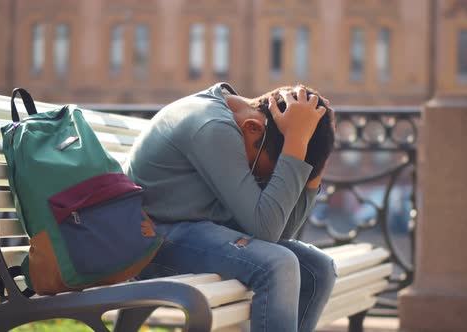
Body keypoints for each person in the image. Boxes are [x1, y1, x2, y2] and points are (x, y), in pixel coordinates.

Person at [124, 82, 336, 332]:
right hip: (153, 240)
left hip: (197, 232)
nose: (267, 181)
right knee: (278, 264)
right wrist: (296, 141)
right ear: (253, 128)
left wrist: (315, 165)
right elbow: (266, 231)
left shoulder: (243, 125)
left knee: (317, 268)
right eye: (272, 171)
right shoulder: (212, 125)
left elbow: (280, 233)